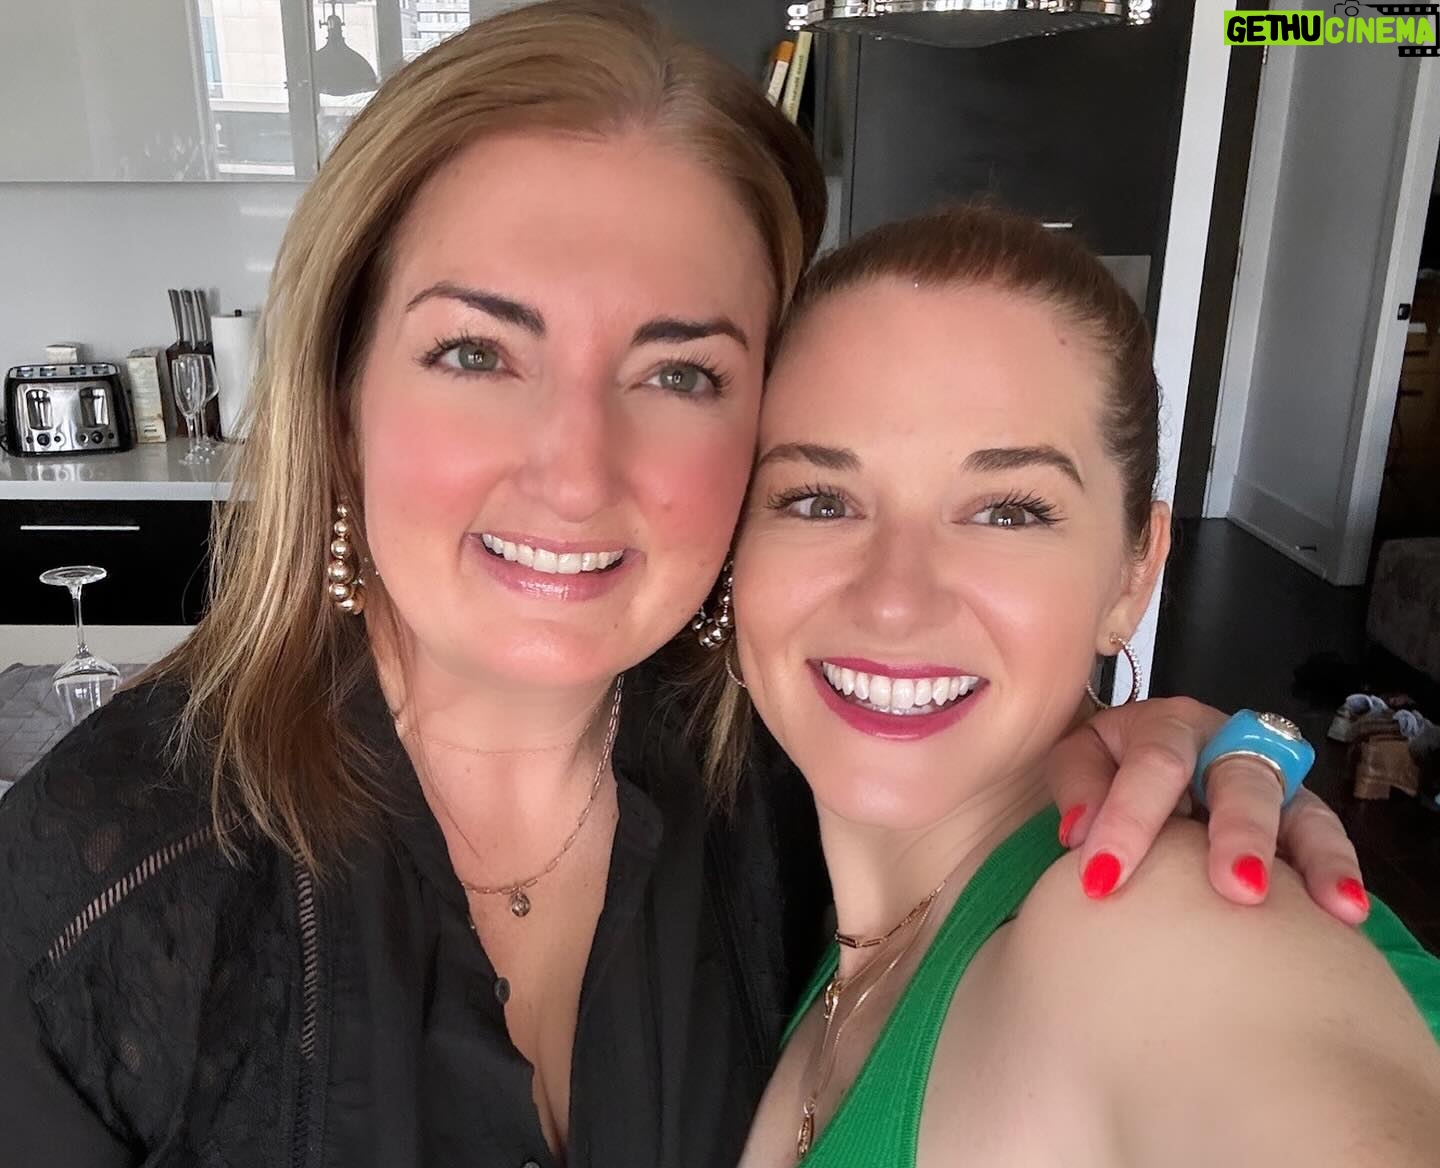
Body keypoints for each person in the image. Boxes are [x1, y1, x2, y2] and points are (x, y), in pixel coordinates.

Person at [0, 5, 1375, 1166]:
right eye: (477, 353)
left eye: (679, 372)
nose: (575, 472)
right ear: (341, 393)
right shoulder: (101, 886)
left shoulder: (799, 782)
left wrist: (1181, 752)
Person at [729, 204, 1440, 1168]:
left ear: (1134, 573)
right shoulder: (782, 891)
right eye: (819, 500)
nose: (893, 600)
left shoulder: (1153, 931)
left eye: (1008, 512)